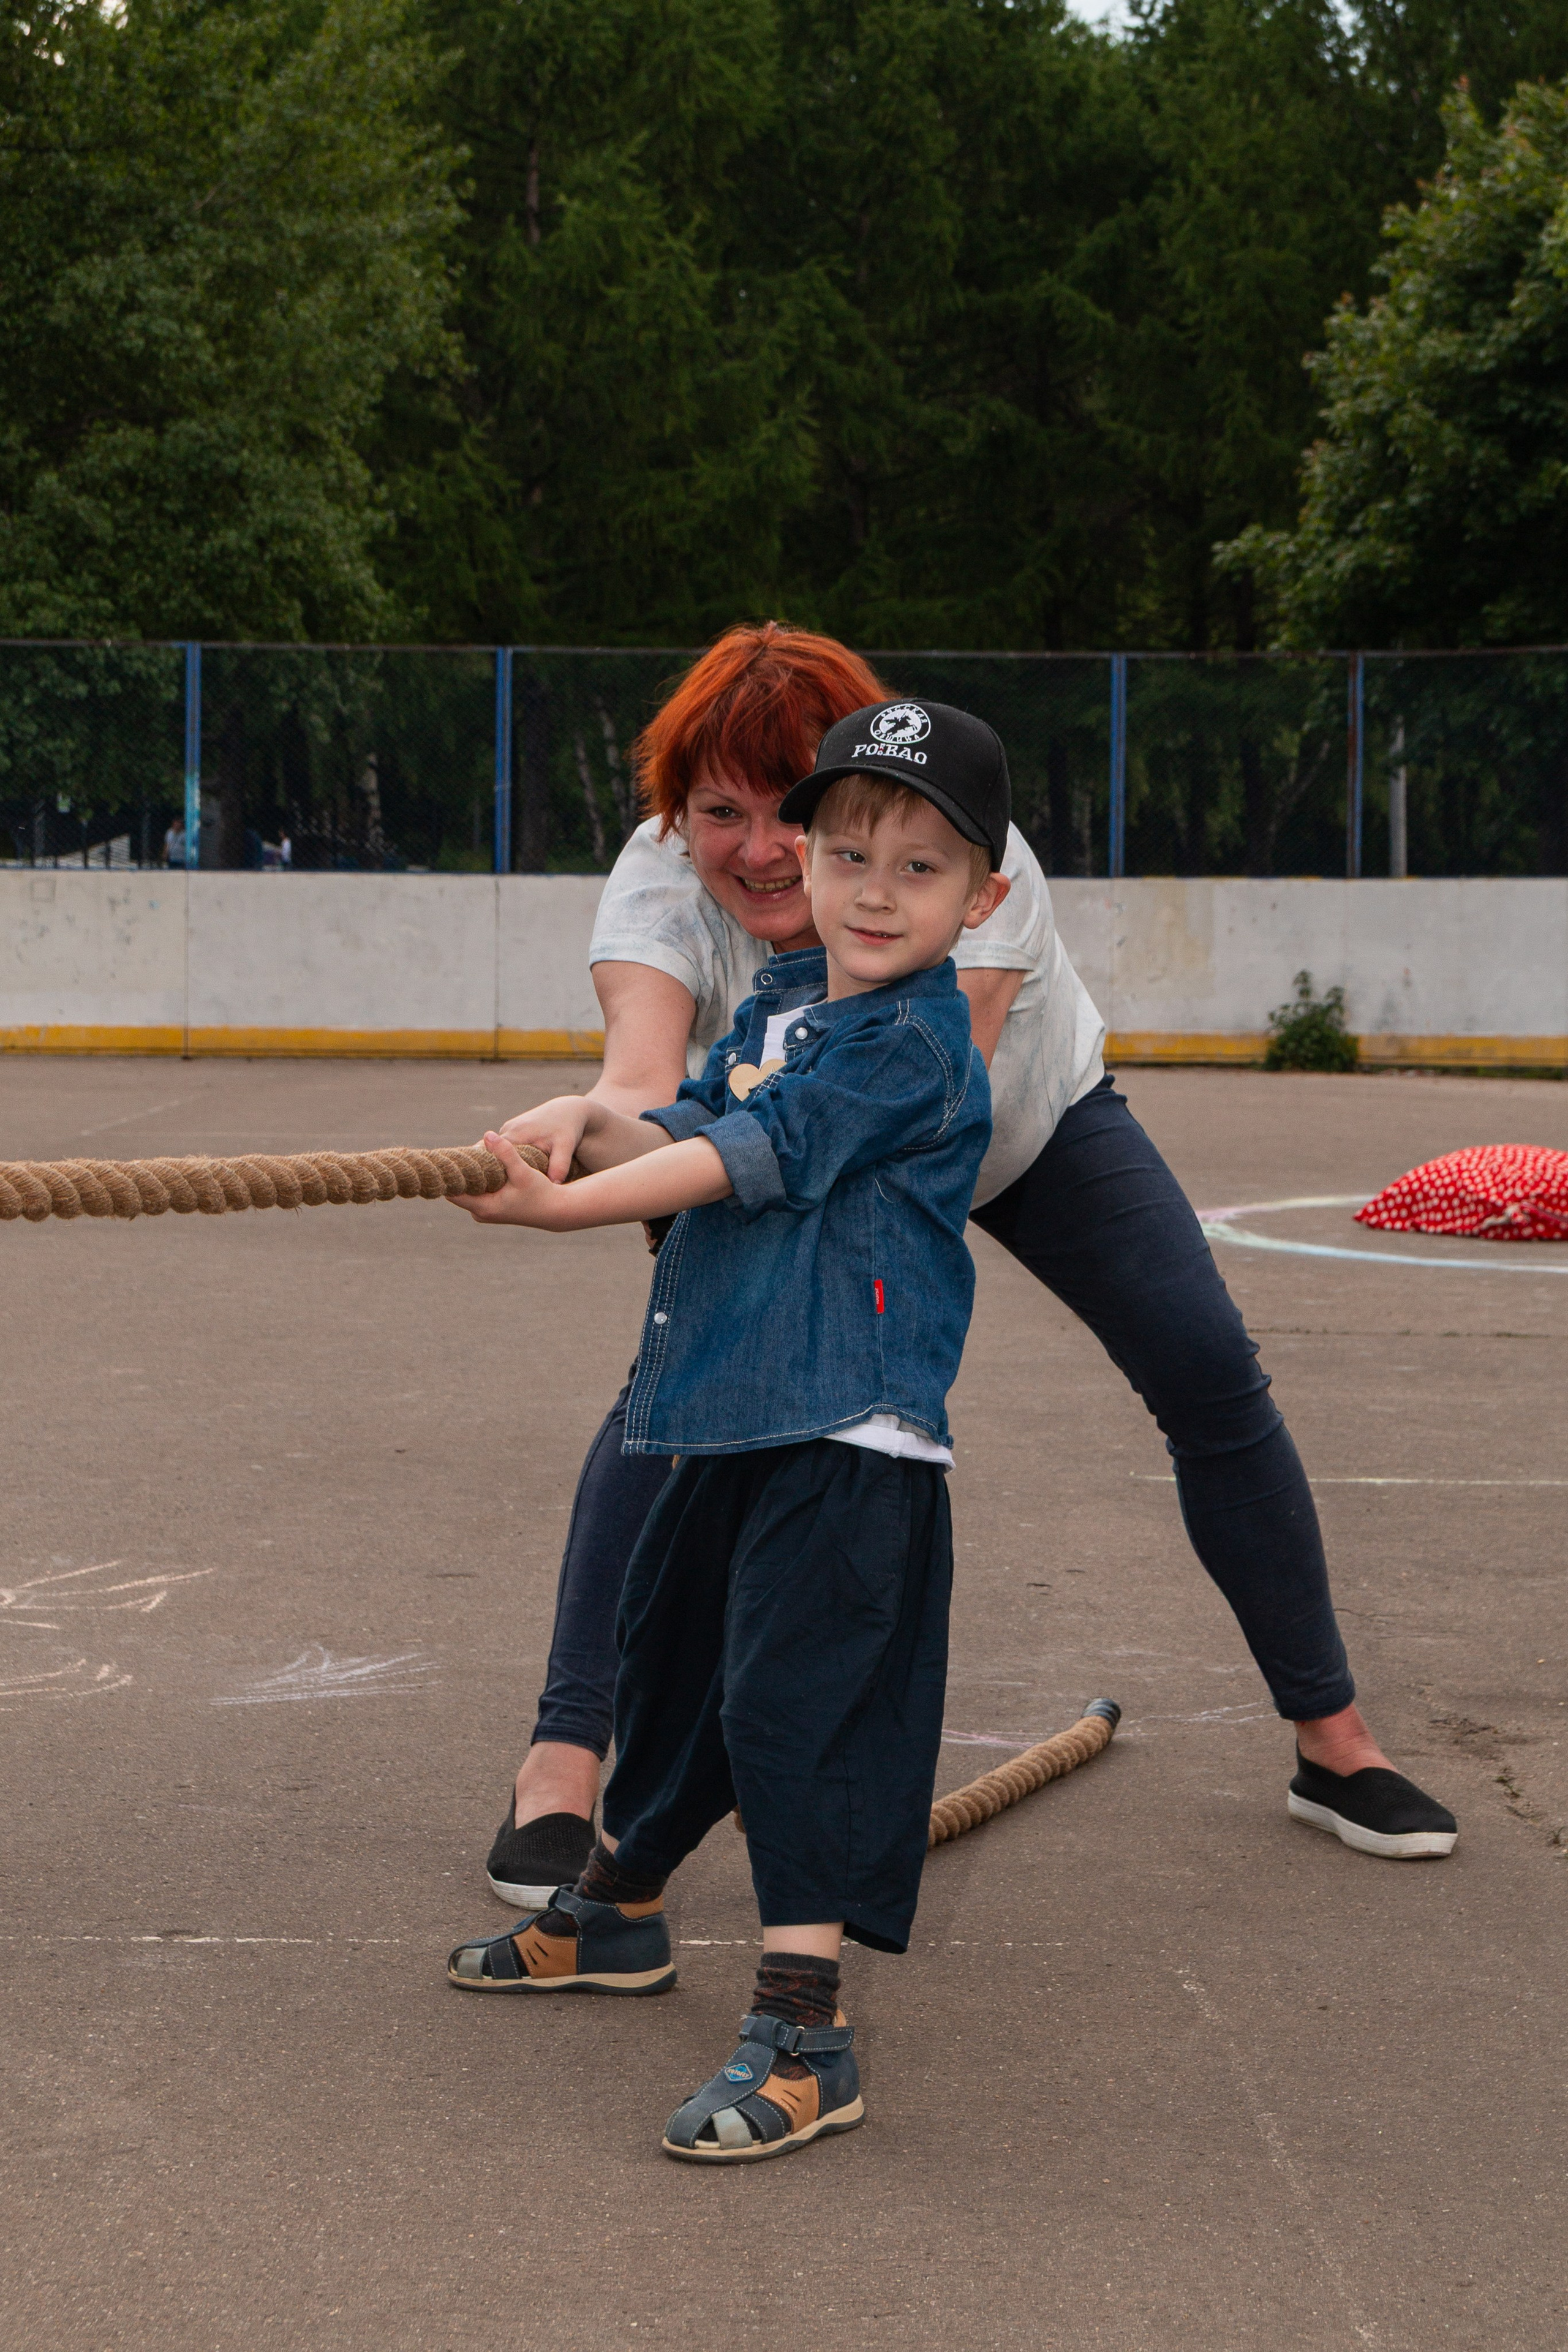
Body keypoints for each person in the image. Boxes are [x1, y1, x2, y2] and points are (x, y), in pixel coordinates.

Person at [485, 624, 1457, 1901]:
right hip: (770, 1132)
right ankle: (563, 1768)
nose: (764, 850)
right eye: (719, 811)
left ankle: (1331, 1741)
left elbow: (912, 1119)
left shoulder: (969, 862)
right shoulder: (661, 873)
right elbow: (642, 1079)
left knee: (1205, 1367)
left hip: (994, 1125)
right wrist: (575, 1135)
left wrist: (616, 1201)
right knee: (669, 1405)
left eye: (795, 811)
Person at [445, 707, 1011, 2162]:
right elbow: (678, 1123)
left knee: (783, 1716)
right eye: (845, 854)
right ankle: (623, 1912)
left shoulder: (916, 1047)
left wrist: (563, 1208)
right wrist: (573, 1127)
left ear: (982, 899)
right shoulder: (781, 1005)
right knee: (673, 1668)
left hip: (848, 1437)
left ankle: (806, 2032)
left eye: (920, 866)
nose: (874, 891)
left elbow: (752, 1156)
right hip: (731, 1415)